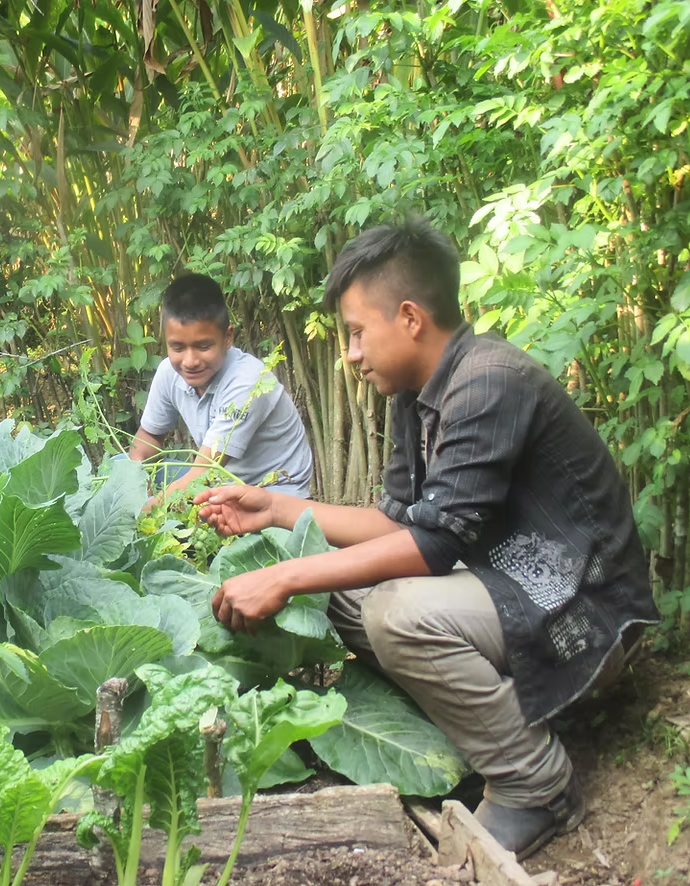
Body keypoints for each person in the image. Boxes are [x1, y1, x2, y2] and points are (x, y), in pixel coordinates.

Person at [196, 219, 659, 859]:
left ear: (410, 317)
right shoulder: (417, 394)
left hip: (582, 614)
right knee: (342, 594)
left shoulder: (488, 381)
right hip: (509, 590)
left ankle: (535, 785)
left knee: (396, 612)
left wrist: (282, 577)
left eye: (357, 332)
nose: (350, 354)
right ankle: (478, 742)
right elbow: (398, 525)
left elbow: (432, 547)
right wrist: (275, 508)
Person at [128, 273, 314, 504]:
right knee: (122, 467)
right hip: (218, 485)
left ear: (227, 337)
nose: (190, 361)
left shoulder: (248, 382)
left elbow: (202, 474)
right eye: (177, 348)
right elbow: (148, 437)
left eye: (203, 346)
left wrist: (141, 511)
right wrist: (136, 482)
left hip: (275, 497)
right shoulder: (169, 372)